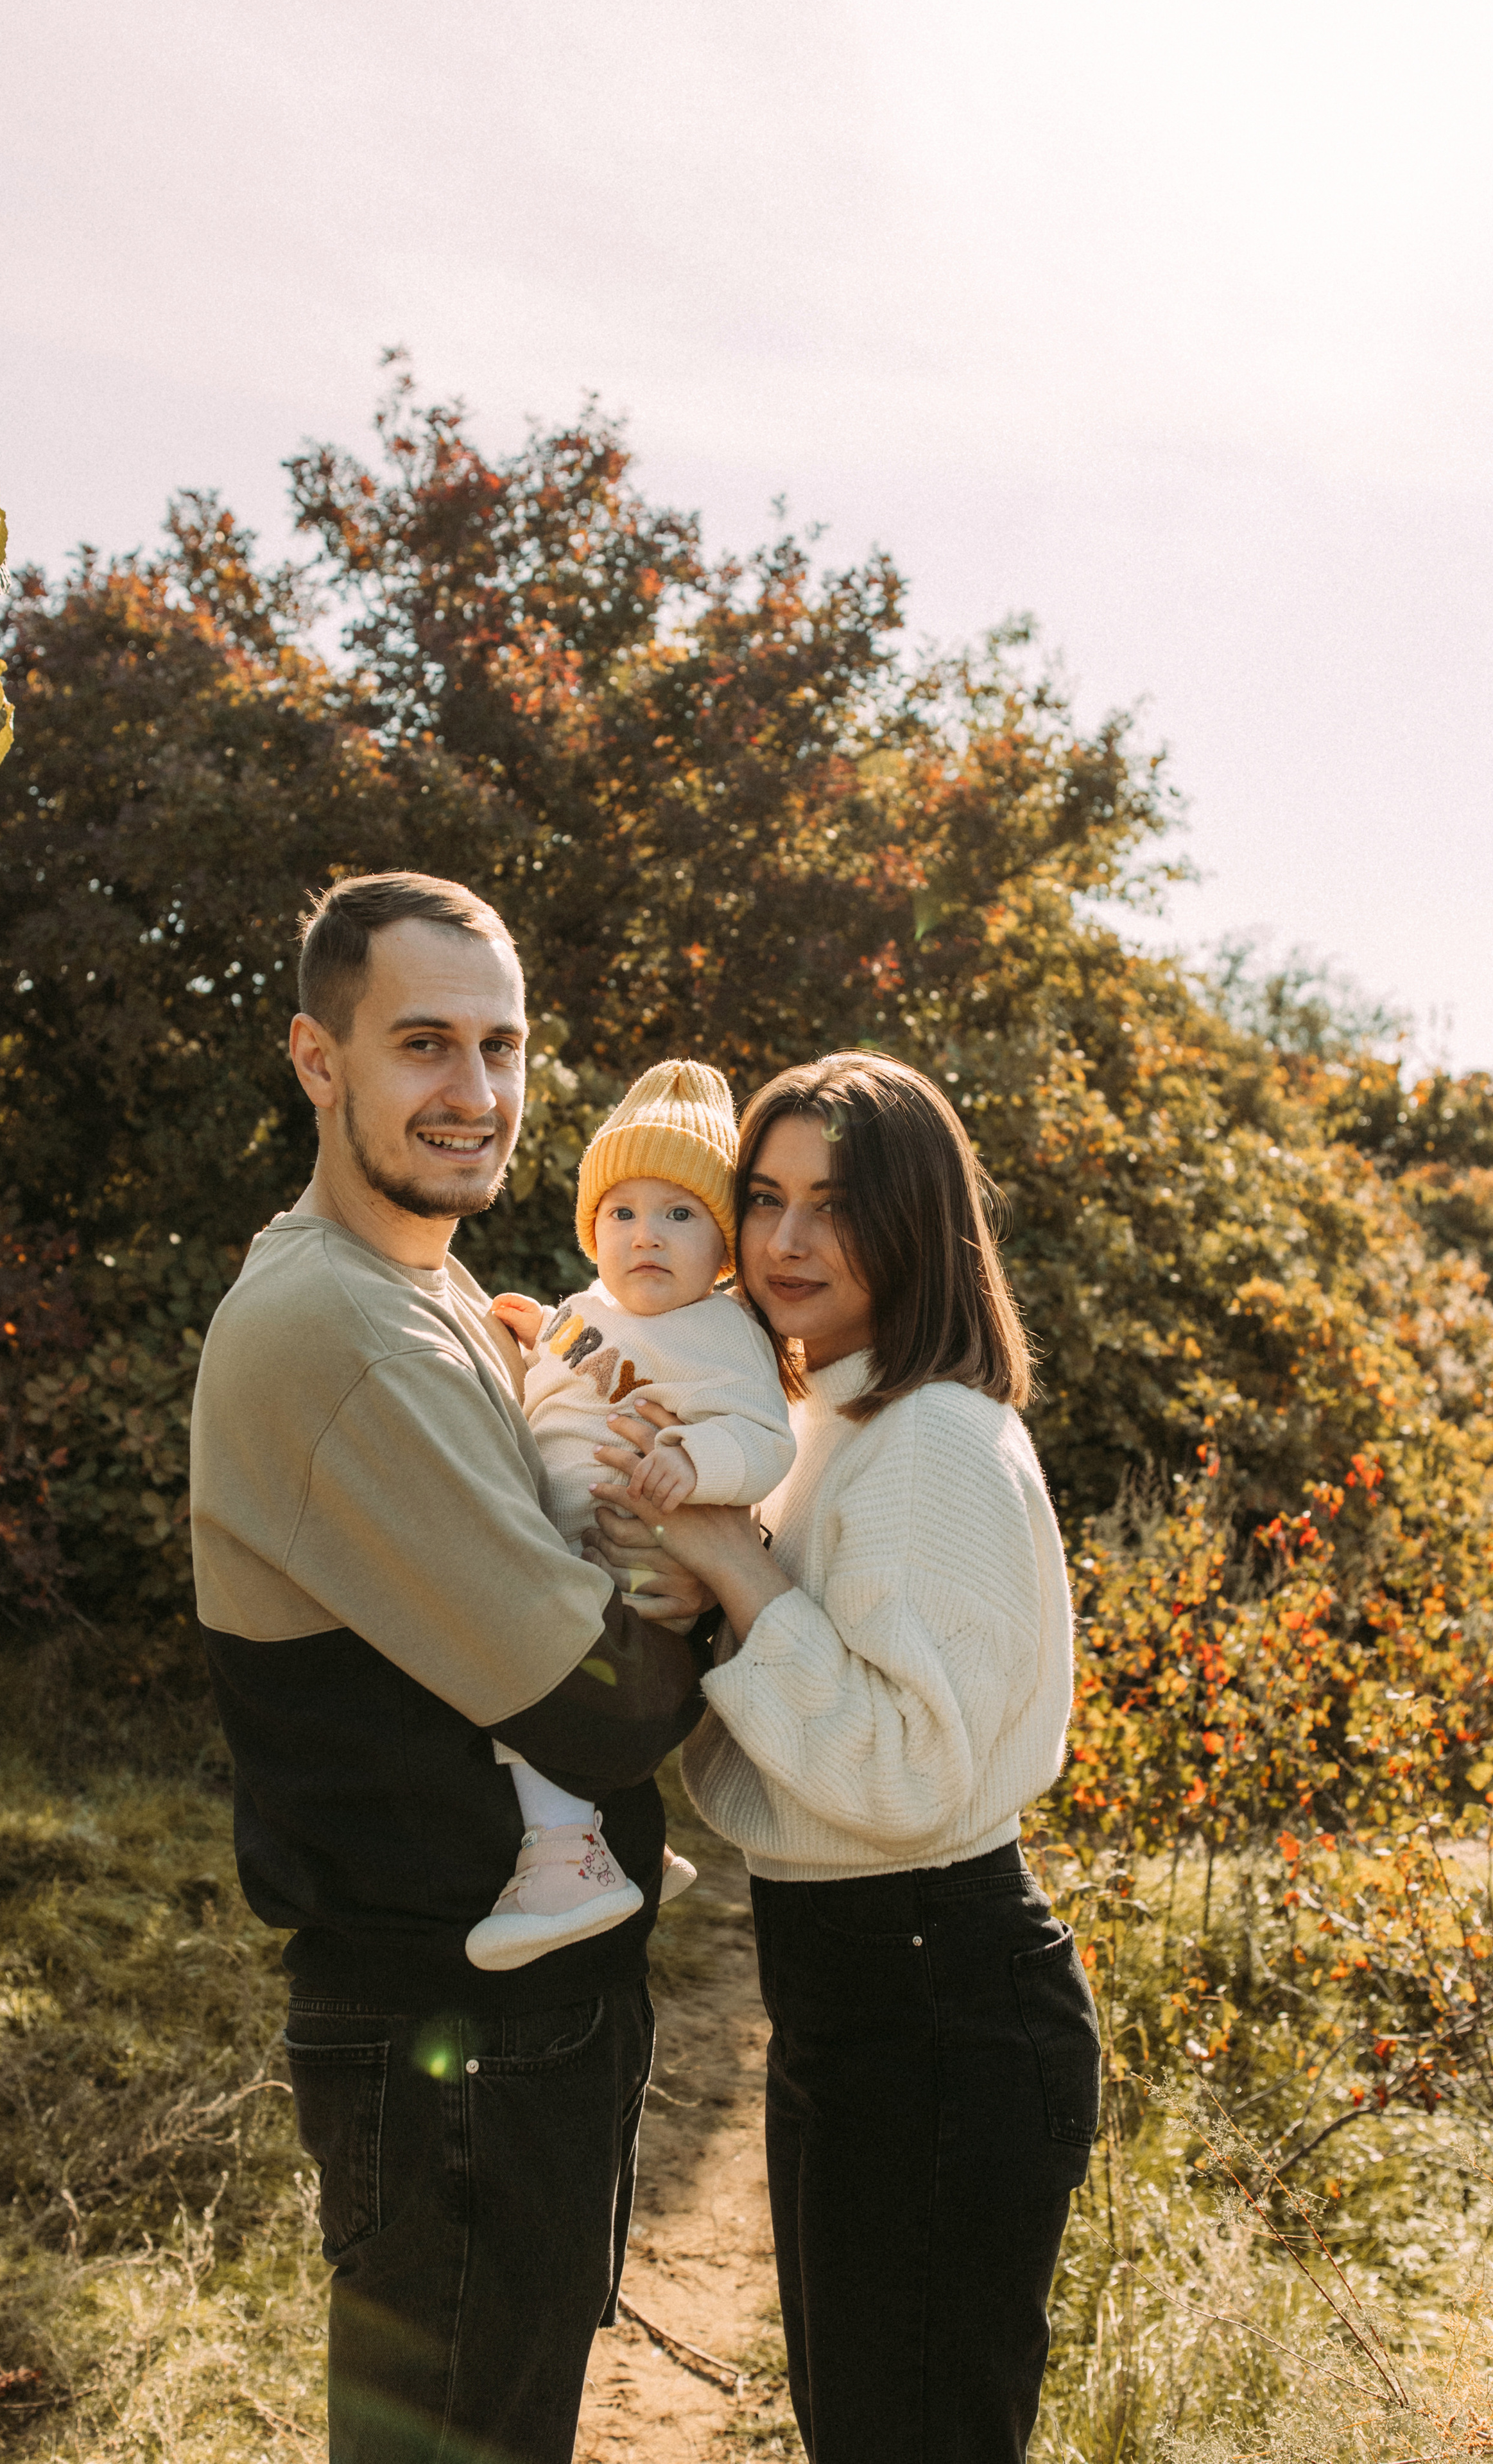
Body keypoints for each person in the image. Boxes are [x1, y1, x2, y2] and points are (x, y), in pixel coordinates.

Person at [188, 872, 718, 2464]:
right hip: (451, 2033)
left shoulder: (430, 1299)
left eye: (502, 1048)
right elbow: (603, 1706)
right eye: (424, 1044)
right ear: (315, 1058)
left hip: (516, 2017)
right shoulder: (333, 1327)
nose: (475, 1094)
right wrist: (697, 1573)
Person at [587, 1052, 1100, 2464]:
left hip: (941, 1996)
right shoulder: (819, 1423)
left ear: (919, 1222)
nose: (787, 1240)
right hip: (855, 1990)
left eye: (836, 1203)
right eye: (763, 1199)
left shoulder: (930, 1437)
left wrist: (738, 1577)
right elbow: (780, 1745)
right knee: (866, 2425)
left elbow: (906, 1774)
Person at [472, 1056, 795, 1970]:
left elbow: (766, 1442)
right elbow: (595, 1355)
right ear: (593, 1230)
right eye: (623, 1212)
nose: (645, 1235)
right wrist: (542, 1328)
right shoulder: (589, 1309)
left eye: (678, 1214)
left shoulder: (725, 1333)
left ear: (722, 1248)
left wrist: (693, 1464)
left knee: (524, 1685)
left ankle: (566, 1864)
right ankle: (616, 1836)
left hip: (629, 1570)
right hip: (567, 1544)